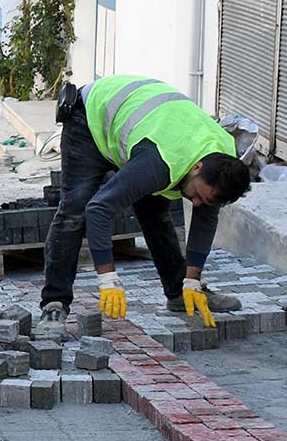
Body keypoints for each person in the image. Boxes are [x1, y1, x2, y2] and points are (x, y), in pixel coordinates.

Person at [40, 75, 253, 329]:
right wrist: (107, 278)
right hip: (91, 118)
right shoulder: (159, 162)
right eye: (197, 195)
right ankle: (55, 302)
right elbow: (99, 210)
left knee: (156, 214)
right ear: (196, 167)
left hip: (146, 127)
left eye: (203, 200)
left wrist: (193, 280)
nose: (196, 203)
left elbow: (205, 217)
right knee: (75, 211)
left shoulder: (223, 165)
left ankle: (179, 292)